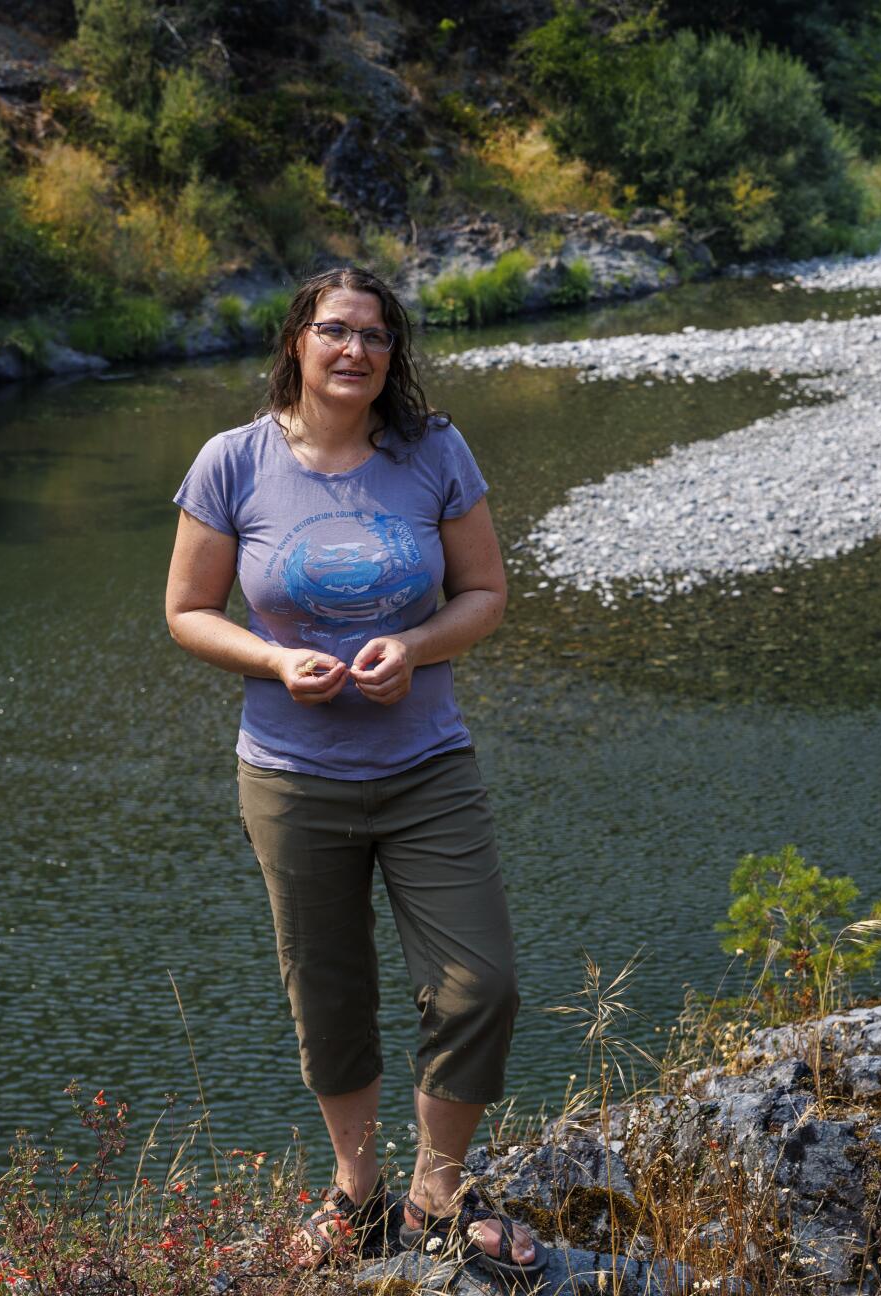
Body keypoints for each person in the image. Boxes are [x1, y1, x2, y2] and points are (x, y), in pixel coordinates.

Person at [164, 266, 545, 1278]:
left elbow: (486, 591)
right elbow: (187, 612)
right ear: (297, 341)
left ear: (393, 356)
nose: (354, 352)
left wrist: (415, 648)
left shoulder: (433, 451)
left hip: (426, 764)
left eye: (375, 338)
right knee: (326, 992)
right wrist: (276, 658)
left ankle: (437, 1184)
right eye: (334, 332)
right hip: (290, 776)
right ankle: (357, 1191)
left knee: (480, 986)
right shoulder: (231, 462)